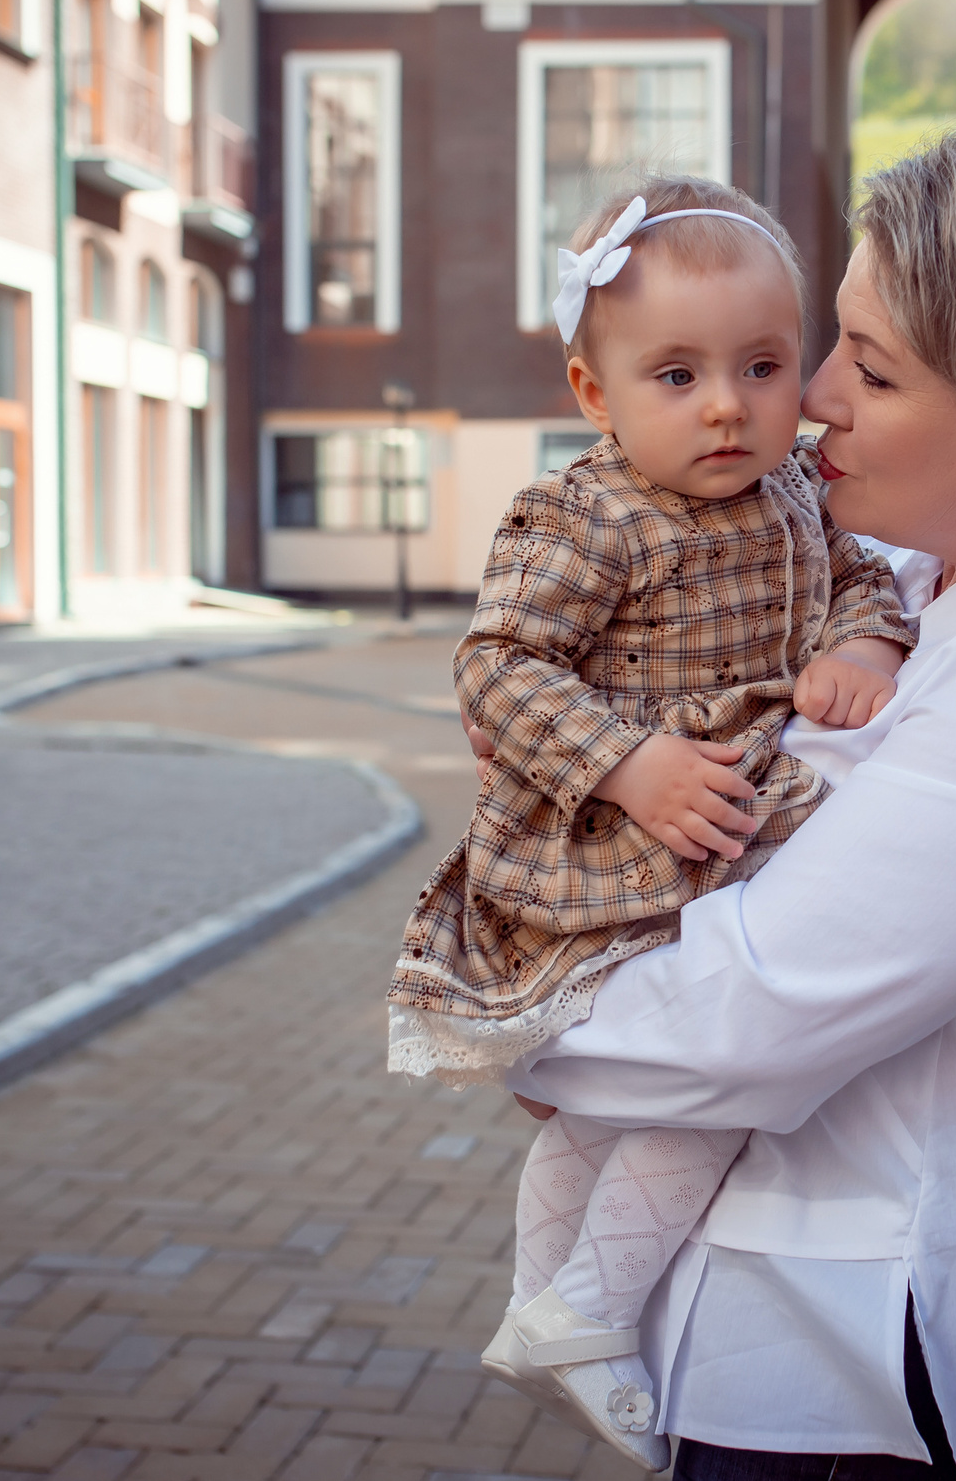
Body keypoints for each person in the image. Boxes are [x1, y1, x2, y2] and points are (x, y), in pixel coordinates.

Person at [504, 104, 956, 1480]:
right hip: (794, 1319)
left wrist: (526, 1026)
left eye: (874, 370)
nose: (814, 395)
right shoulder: (918, 558)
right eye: (835, 337)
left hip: (879, 1370)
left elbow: (749, 1011)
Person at [387, 176, 917, 1469]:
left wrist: (862, 644)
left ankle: (546, 1312)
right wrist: (626, 762)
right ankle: (586, 1305)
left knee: (626, 1106)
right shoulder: (589, 515)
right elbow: (498, 666)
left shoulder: (802, 491)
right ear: (594, 391)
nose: (727, 404)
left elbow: (864, 579)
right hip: (622, 840)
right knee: (722, 1081)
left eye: (762, 366)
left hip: (730, 823)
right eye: (676, 375)